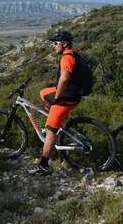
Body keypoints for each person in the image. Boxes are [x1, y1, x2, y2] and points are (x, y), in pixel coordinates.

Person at [28, 30, 82, 176]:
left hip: (67, 97)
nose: (53, 46)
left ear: (64, 44)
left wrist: (57, 98)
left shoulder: (67, 57)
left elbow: (64, 78)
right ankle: (53, 115)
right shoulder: (72, 53)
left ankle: (44, 165)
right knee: (43, 92)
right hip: (73, 93)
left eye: (55, 43)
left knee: (50, 130)